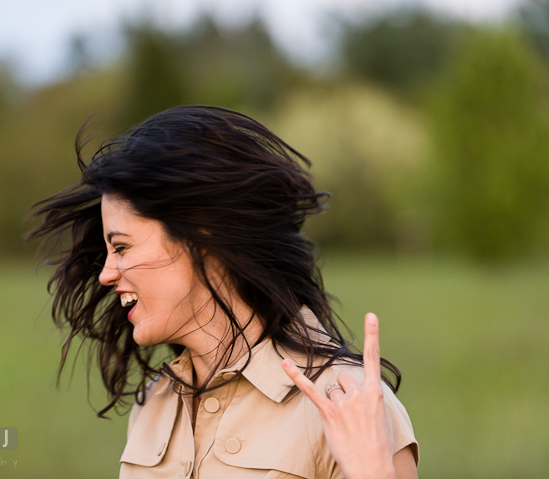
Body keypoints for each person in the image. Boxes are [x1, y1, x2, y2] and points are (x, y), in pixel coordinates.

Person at [26, 105, 419, 478]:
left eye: (122, 247)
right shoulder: (153, 405)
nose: (106, 274)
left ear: (202, 236)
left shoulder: (349, 403)